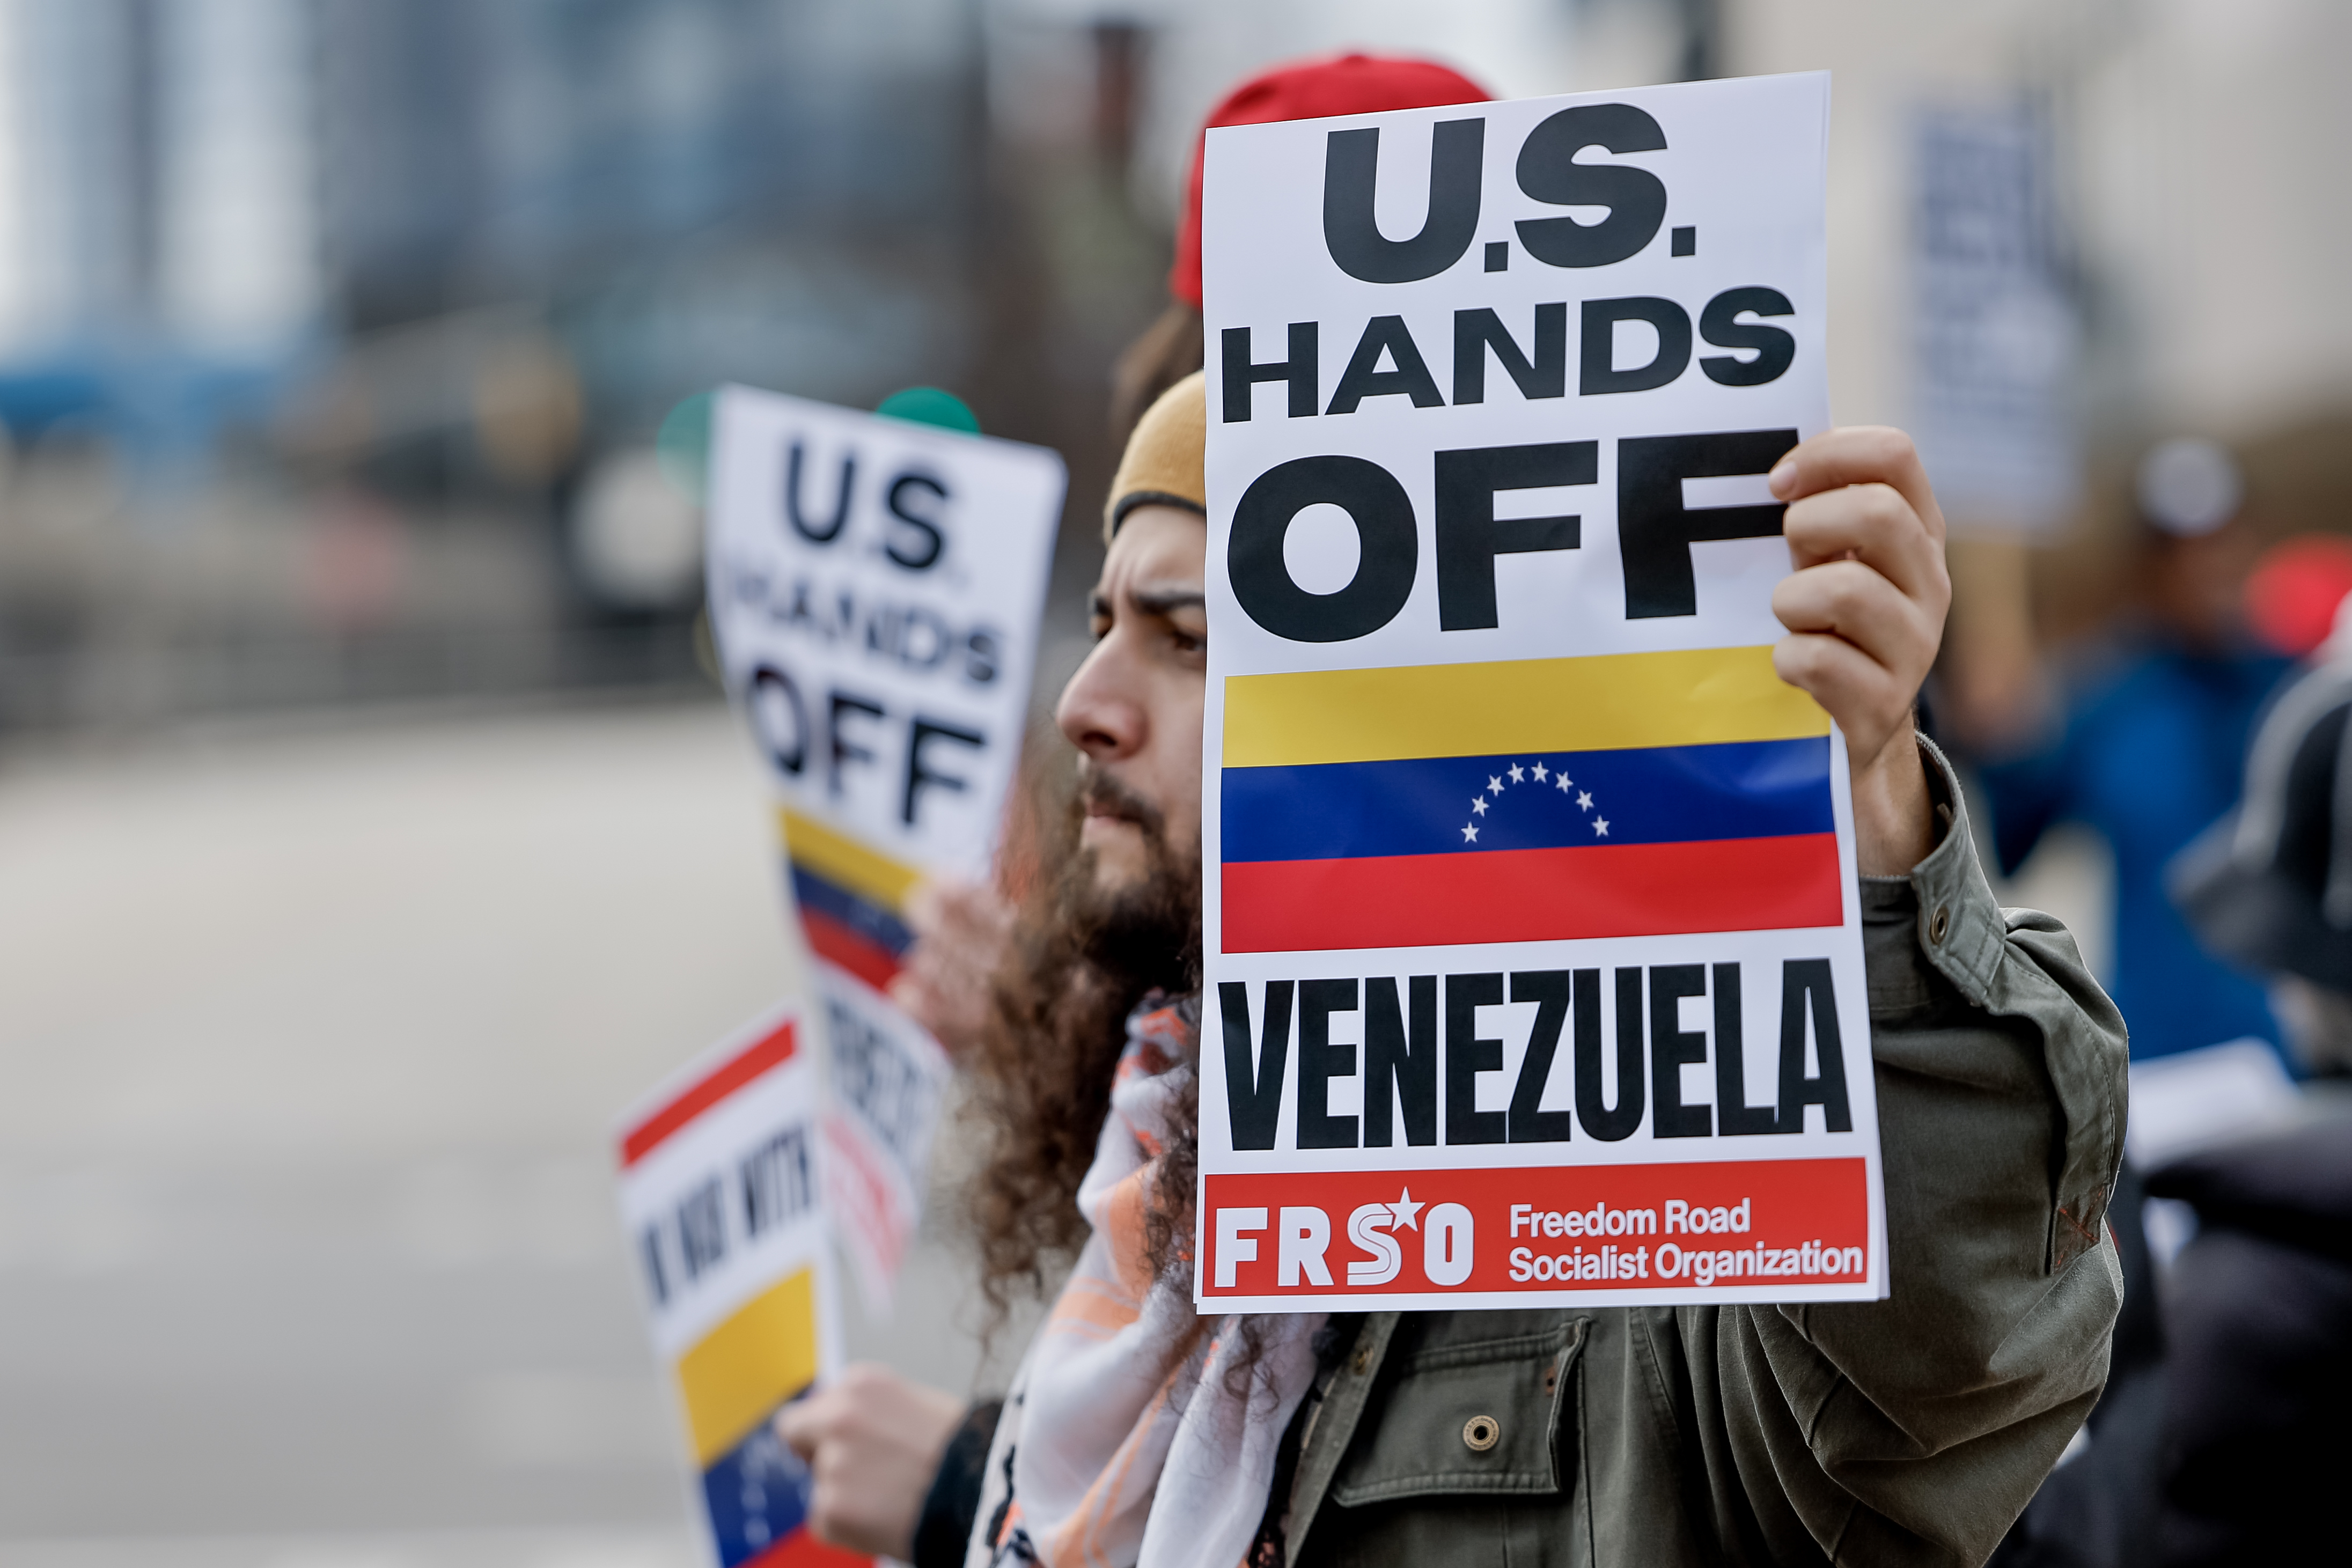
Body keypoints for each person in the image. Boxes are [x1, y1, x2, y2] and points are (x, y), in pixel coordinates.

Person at [782, 374, 2128, 1568]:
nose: (1083, 696)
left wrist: (1876, 808)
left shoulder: (1634, 1192)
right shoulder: (1165, 1148)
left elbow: (1931, 1390)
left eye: (1183, 637)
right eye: (1099, 619)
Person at [1957, 438, 2293, 1062]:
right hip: (2156, 1061)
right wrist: (2000, 738)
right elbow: (2016, 836)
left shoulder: (2298, 693)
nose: (2206, 566)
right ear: (2148, 566)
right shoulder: (2104, 703)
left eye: (2221, 540)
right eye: (2182, 551)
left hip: (2287, 1056)